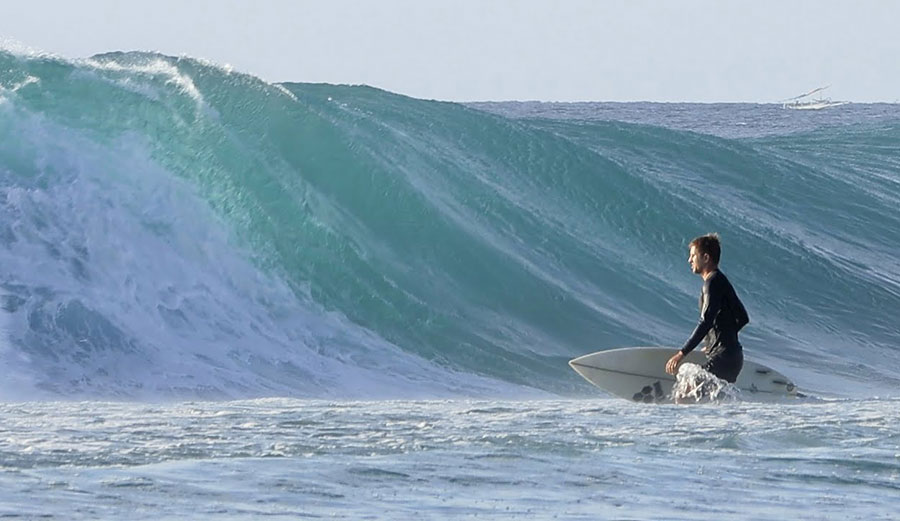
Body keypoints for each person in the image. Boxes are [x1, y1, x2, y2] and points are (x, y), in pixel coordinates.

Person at [665, 233, 749, 384]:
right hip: (734, 357)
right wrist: (718, 342)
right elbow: (743, 317)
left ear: (705, 258)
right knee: (710, 403)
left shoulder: (711, 283)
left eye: (693, 256)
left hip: (722, 358)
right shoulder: (721, 281)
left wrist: (681, 353)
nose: (689, 260)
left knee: (685, 393)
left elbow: (706, 321)